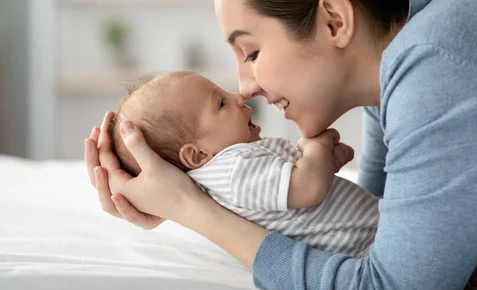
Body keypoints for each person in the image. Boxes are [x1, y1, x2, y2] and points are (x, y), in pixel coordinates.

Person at [84, 0, 477, 290]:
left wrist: (191, 209)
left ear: (334, 20)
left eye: (250, 52)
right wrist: (199, 188)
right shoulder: (403, 61)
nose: (246, 87)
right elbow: (378, 232)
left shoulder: (441, 62)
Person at [108, 71, 378, 257]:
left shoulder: (230, 172)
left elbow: (290, 190)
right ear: (198, 155)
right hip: (365, 241)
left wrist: (320, 161)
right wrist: (316, 144)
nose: (239, 96)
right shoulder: (233, 170)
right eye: (222, 103)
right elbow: (307, 188)